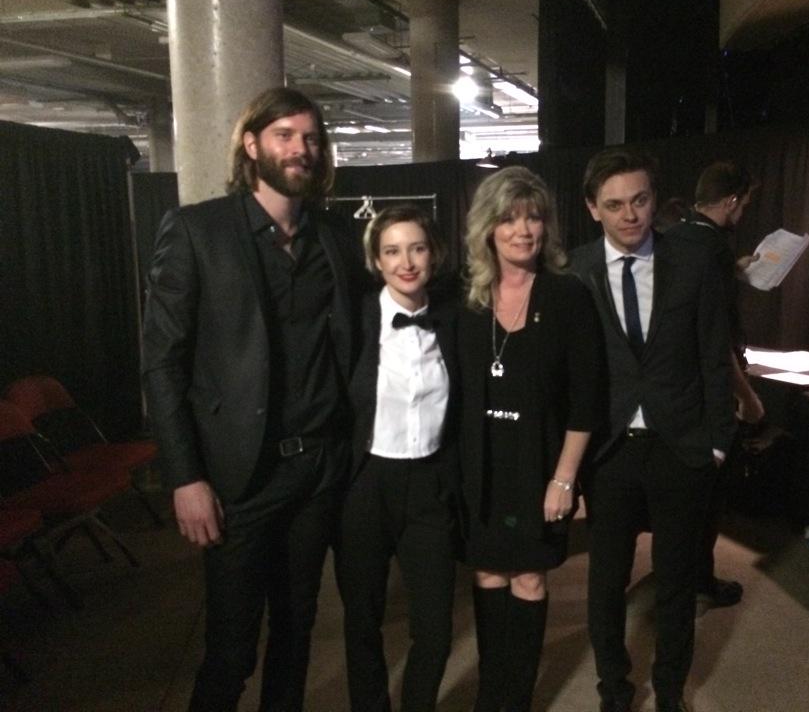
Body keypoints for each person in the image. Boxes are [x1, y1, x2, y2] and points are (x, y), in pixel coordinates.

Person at [142, 86, 366, 712]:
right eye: (284, 135)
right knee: (232, 649)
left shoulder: (337, 237)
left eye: (311, 137)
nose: (301, 149)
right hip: (240, 477)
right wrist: (184, 477)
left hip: (319, 469)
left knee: (297, 633)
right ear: (251, 144)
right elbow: (161, 363)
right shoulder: (198, 230)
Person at [569, 146, 735, 712]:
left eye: (639, 200)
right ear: (593, 208)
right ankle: (613, 690)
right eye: (614, 204)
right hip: (609, 450)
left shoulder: (692, 262)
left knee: (677, 582)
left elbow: (714, 356)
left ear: (655, 199)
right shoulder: (575, 272)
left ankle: (669, 692)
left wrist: (717, 445)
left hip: (681, 446)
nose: (629, 215)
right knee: (605, 582)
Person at [459, 165, 603, 712]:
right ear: (487, 228)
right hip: (480, 469)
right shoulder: (467, 301)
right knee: (488, 574)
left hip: (540, 468)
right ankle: (489, 695)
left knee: (529, 580)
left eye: (534, 217)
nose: (523, 230)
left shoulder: (568, 296)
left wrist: (564, 479)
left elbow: (587, 400)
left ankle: (515, 699)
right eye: (509, 219)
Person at [336, 205, 459, 712]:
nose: (406, 262)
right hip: (365, 484)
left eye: (417, 248)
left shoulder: (453, 317)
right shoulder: (356, 319)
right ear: (376, 260)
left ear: (434, 254)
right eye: (392, 251)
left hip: (430, 484)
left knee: (436, 626)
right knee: (363, 621)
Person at [668, 159, 766, 609]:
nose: (742, 213)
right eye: (742, 205)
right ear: (730, 201)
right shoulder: (713, 252)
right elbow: (717, 343)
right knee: (708, 500)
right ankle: (699, 581)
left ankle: (681, 573)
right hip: (709, 394)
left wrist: (735, 270)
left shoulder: (675, 238)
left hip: (676, 389)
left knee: (684, 497)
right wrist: (748, 397)